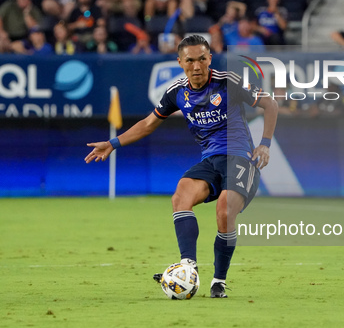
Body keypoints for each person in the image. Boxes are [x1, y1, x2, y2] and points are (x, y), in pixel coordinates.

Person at [85, 35, 279, 298]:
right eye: (190, 60)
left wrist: (265, 143)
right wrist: (113, 143)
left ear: (210, 59)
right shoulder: (177, 92)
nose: (197, 66)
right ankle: (189, 266)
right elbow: (148, 124)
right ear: (180, 62)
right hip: (210, 161)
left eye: (202, 59)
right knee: (181, 195)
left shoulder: (228, 81)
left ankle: (218, 281)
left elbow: (270, 103)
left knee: (224, 211)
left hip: (241, 159)